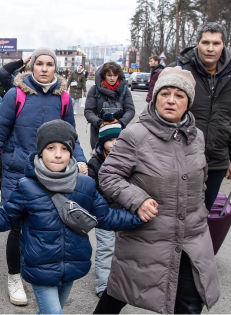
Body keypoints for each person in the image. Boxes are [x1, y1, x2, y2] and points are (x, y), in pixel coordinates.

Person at [0, 120, 144, 314]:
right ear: (40, 151)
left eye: (64, 148)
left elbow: (106, 217)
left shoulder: (85, 185)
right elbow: (5, 218)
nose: (58, 154)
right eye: (51, 148)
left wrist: (139, 217)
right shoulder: (27, 186)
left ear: (71, 152)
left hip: (72, 266)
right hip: (40, 268)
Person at [94, 67, 220, 314]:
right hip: (146, 236)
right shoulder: (134, 135)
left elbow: (201, 179)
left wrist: (199, 212)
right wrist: (137, 200)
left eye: (179, 95)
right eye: (165, 93)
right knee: (117, 295)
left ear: (188, 103)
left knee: (189, 304)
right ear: (156, 97)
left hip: (192, 238)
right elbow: (108, 175)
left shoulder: (198, 137)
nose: (171, 100)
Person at [0, 46, 87, 306]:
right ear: (31, 67)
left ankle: (39, 272)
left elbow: (71, 136)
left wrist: (82, 160)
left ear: (55, 68)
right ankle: (14, 276)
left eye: (48, 64)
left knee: (46, 224)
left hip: (52, 173)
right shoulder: (15, 95)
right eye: (39, 64)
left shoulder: (63, 98)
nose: (44, 69)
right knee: (17, 225)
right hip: (18, 171)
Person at [169, 22, 231, 212]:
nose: (210, 48)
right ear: (197, 44)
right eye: (205, 42)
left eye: (216, 43)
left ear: (224, 45)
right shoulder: (179, 70)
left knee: (202, 214)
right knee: (176, 213)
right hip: (181, 157)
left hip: (217, 160)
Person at [86, 115, 123, 298]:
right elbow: (91, 188)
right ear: (102, 142)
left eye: (118, 139)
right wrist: (99, 208)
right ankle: (103, 286)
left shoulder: (128, 160)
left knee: (122, 248)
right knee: (106, 247)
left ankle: (118, 280)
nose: (115, 143)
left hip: (123, 212)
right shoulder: (95, 162)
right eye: (110, 140)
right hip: (104, 213)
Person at [84, 61, 135, 149]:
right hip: (99, 132)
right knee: (98, 160)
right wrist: (99, 122)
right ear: (104, 75)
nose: (112, 78)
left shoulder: (124, 90)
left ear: (118, 75)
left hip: (119, 132)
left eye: (115, 75)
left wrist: (121, 123)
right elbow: (89, 111)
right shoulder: (94, 90)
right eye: (109, 75)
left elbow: (130, 110)